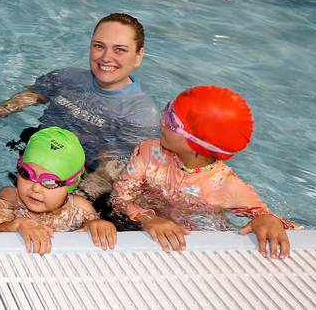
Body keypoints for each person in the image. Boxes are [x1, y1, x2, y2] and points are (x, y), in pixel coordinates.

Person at [0, 13, 157, 202]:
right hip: (34, 157)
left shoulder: (141, 113)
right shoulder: (67, 77)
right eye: (99, 46)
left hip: (80, 180)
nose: (106, 57)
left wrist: (76, 199)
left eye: (119, 50)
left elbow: (114, 166)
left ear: (138, 56)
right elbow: (36, 93)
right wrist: (6, 108)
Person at [110, 86, 293, 258]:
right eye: (167, 111)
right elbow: (119, 196)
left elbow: (265, 216)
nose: (162, 121)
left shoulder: (225, 185)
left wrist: (267, 219)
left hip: (188, 242)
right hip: (145, 227)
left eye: (172, 122)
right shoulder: (149, 151)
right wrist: (148, 218)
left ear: (195, 144)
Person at [0, 127, 117, 254]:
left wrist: (98, 225)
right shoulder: (11, 197)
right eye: (27, 174)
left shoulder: (79, 208)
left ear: (70, 185)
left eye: (49, 182)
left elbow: (95, 227)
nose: (35, 188)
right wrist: (15, 225)